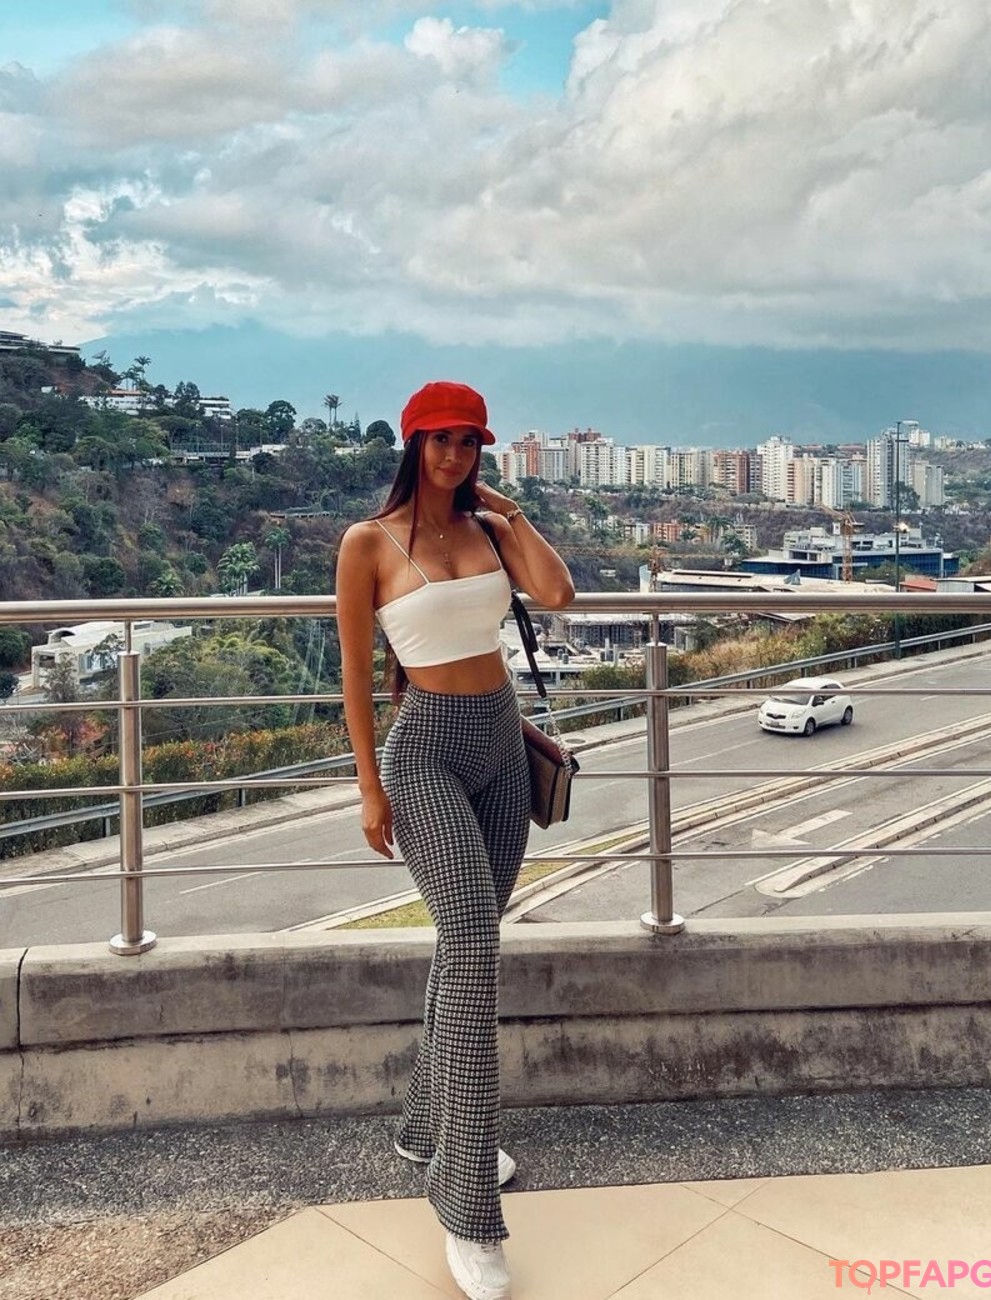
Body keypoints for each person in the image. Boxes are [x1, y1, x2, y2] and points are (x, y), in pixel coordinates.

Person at [335, 380, 574, 1300]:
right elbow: (356, 678)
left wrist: (512, 513)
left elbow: (557, 592)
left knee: (465, 947)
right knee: (472, 942)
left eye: (469, 441)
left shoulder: (488, 530)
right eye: (439, 440)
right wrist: (370, 787)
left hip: (502, 745)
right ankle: (467, 1204)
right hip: (426, 749)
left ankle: (421, 1128)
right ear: (412, 445)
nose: (454, 455)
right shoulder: (368, 543)